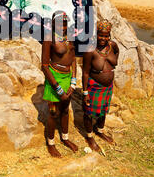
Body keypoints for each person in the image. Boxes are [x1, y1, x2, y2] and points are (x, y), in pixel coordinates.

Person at [41, 11, 79, 158]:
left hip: (67, 77)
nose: (62, 27)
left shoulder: (69, 38)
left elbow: (73, 59)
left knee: (64, 110)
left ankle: (65, 138)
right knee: (53, 112)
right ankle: (50, 143)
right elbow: (44, 65)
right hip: (54, 79)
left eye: (64, 23)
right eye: (59, 24)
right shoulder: (49, 39)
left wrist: (73, 82)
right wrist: (57, 87)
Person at [82, 19, 119, 151]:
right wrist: (85, 92)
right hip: (94, 86)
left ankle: (100, 130)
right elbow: (85, 72)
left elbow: (116, 57)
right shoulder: (90, 50)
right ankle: (89, 136)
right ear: (96, 34)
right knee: (88, 112)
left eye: (106, 35)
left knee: (104, 110)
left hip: (108, 87)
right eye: (100, 35)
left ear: (109, 35)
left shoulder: (113, 46)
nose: (103, 38)